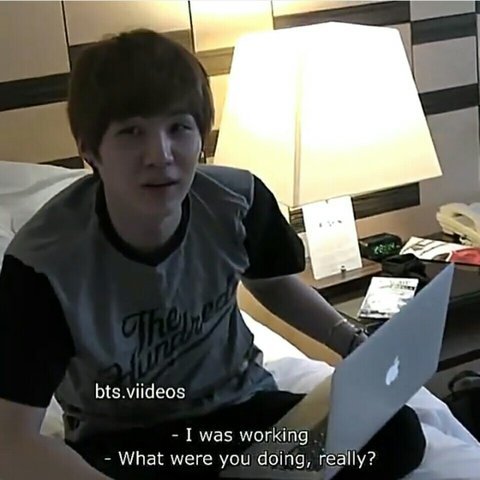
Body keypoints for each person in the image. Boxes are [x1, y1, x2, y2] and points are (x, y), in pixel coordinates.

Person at [0, 29, 425, 480]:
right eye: (131, 132)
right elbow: (13, 440)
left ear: (201, 136)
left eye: (178, 128)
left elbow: (273, 285)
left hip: (239, 414)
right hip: (128, 441)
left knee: (397, 433)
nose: (160, 155)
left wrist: (352, 342)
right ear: (90, 149)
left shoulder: (237, 200)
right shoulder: (44, 264)